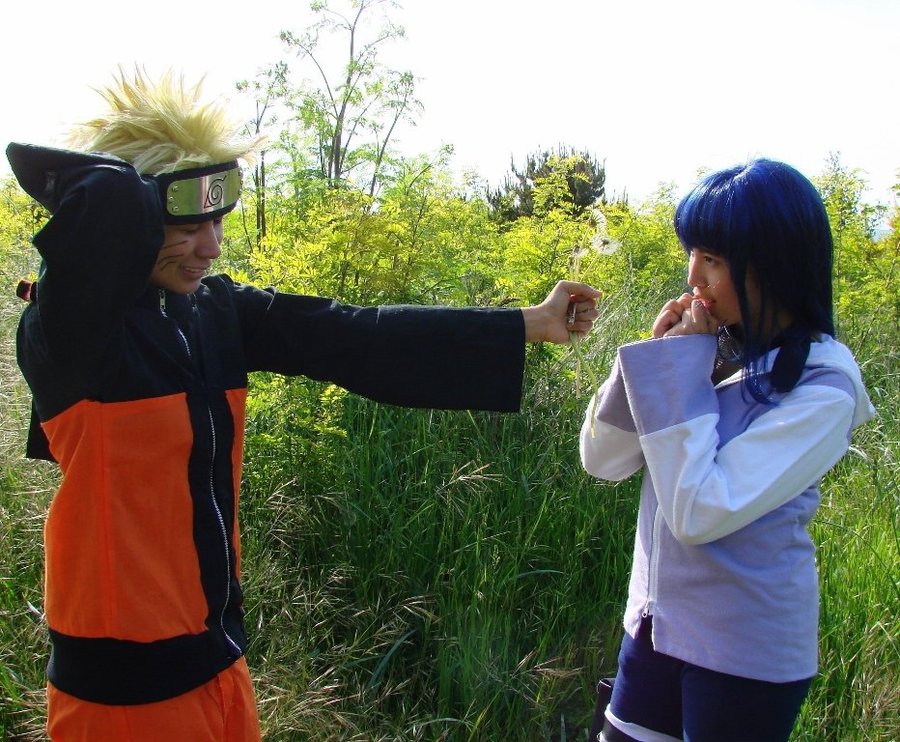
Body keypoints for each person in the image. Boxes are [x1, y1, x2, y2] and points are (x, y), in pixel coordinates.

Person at [6, 69, 600, 742]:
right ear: (135, 220)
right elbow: (103, 198)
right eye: (188, 225)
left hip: (220, 670)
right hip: (122, 702)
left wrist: (529, 323)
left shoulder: (212, 314)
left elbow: (355, 335)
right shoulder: (73, 335)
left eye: (218, 221)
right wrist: (143, 185)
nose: (212, 246)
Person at [579, 159, 875, 742]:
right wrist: (657, 358)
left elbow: (699, 512)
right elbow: (603, 461)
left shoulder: (824, 388)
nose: (694, 276)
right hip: (654, 627)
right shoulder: (713, 349)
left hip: (745, 654)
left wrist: (679, 375)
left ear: (775, 265)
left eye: (713, 259)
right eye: (693, 254)